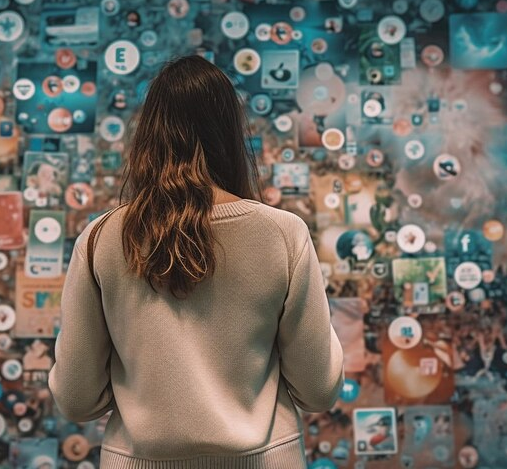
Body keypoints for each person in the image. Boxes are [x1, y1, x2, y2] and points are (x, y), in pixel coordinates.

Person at [48, 54, 345, 468]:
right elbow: (318, 389)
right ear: (229, 134)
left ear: (147, 134)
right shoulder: (283, 233)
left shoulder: (101, 239)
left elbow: (77, 398)